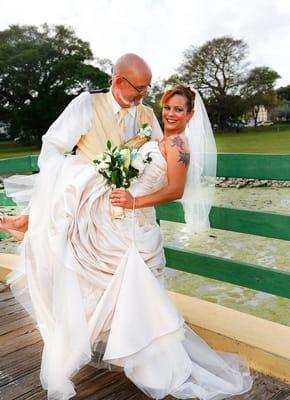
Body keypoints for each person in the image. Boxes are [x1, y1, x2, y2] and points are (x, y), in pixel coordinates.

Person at [2, 84, 252, 400]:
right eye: (168, 107)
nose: (171, 114)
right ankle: (32, 223)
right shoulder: (161, 139)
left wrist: (135, 201)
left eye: (179, 109)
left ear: (190, 114)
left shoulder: (177, 145)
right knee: (77, 210)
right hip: (124, 218)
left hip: (135, 220)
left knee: (121, 283)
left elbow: (175, 190)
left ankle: (140, 356)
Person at [0, 52, 163, 235]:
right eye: (139, 88)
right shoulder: (87, 103)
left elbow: (161, 153)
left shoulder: (147, 114)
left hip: (131, 207)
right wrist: (67, 178)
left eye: (147, 88)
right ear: (118, 81)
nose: (143, 94)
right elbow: (53, 146)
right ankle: (29, 220)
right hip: (87, 208)